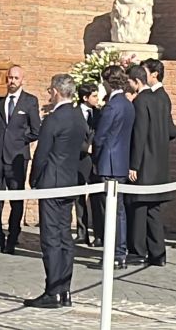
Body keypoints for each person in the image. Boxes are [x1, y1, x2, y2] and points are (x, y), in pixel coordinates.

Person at [23, 74, 87, 309]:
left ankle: (53, 292)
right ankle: (64, 289)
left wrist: (34, 179)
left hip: (51, 183)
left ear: (57, 92)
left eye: (50, 90)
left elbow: (42, 153)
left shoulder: (54, 119)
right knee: (64, 237)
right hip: (69, 181)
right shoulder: (78, 117)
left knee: (51, 238)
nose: (49, 94)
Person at [125, 59, 175, 266]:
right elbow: (172, 131)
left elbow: (139, 134)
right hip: (160, 162)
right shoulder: (162, 99)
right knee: (153, 210)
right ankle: (158, 253)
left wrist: (134, 165)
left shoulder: (141, 101)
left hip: (144, 163)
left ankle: (138, 252)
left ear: (137, 82)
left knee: (139, 209)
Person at [0, 65, 41, 254]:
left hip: (17, 158)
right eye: (10, 77)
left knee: (16, 200)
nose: (12, 81)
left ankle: (12, 238)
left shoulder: (29, 101)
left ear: (22, 80)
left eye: (16, 78)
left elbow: (36, 130)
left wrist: (19, 140)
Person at [89, 65, 134, 267]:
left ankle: (114, 253)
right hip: (122, 162)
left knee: (110, 212)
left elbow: (100, 137)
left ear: (108, 82)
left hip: (108, 163)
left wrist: (95, 158)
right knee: (119, 212)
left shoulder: (111, 106)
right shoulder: (128, 104)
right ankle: (120, 252)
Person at [75, 83, 99, 245]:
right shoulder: (74, 114)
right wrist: (85, 147)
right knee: (78, 198)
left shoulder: (100, 113)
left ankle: (98, 234)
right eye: (94, 96)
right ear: (85, 97)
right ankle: (81, 232)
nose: (97, 99)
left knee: (96, 197)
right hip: (79, 160)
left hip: (95, 161)